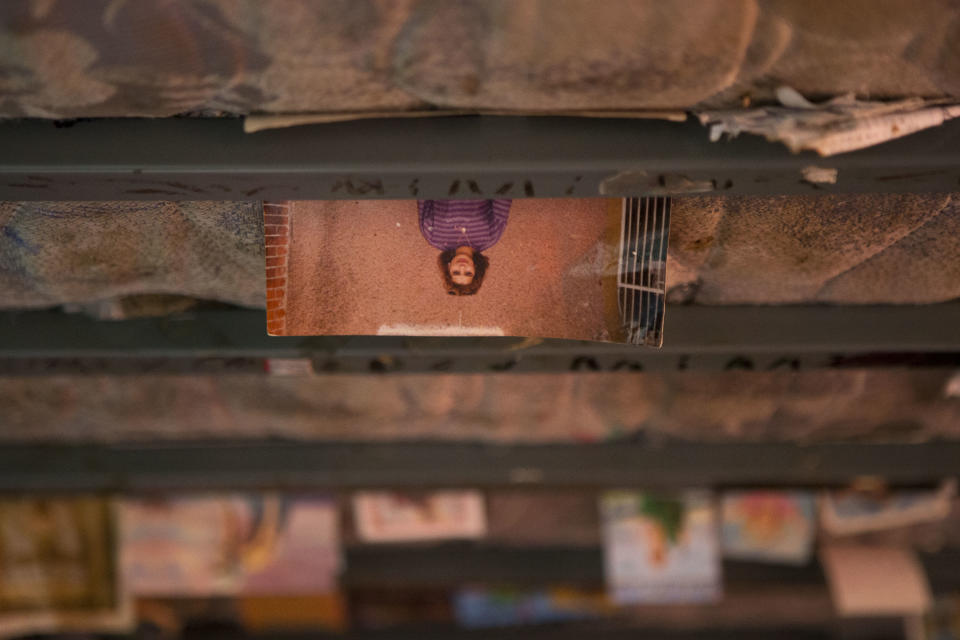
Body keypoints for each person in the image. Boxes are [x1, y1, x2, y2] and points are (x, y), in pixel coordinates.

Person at [418, 199, 512, 295]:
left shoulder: (434, 237)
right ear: (475, 268)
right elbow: (502, 200)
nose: (462, 267)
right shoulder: (490, 237)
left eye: (456, 272)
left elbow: (424, 199)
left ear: (449, 267)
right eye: (468, 273)